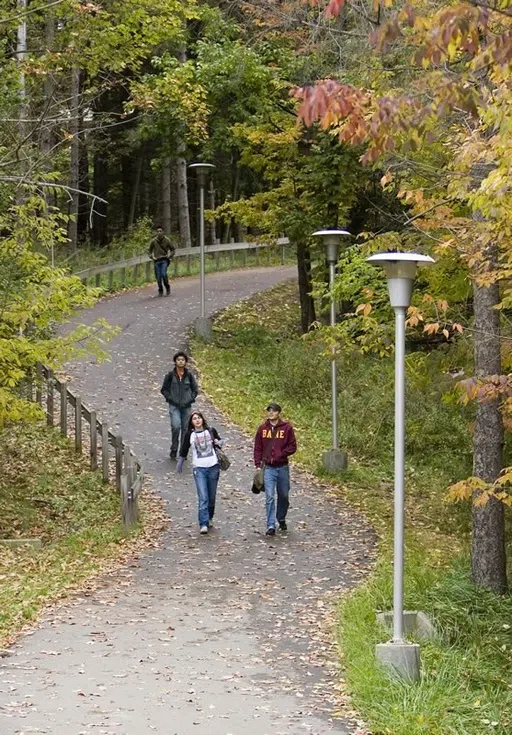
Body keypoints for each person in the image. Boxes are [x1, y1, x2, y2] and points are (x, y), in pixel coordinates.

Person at [253, 402, 297, 536]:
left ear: (278, 413)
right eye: (269, 411)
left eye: (273, 411)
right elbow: (258, 447)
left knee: (283, 494)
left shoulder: (287, 428)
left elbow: (292, 446)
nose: (270, 413)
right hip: (268, 468)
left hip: (282, 466)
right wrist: (257, 464)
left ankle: (281, 517)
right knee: (269, 496)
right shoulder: (262, 429)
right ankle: (270, 525)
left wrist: (281, 453)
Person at [176, 411, 223, 534]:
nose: (197, 420)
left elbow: (220, 442)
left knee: (211, 497)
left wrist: (219, 442)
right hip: (199, 469)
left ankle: (210, 517)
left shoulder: (210, 430)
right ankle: (203, 523)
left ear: (202, 419)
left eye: (199, 418)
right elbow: (184, 449)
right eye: (194, 419)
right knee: (203, 496)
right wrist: (180, 463)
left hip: (213, 466)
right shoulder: (189, 435)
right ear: (191, 422)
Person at [161, 352, 198, 459]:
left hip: (186, 406)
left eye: (183, 360)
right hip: (174, 405)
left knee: (186, 429)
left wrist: (190, 398)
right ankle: (174, 448)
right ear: (175, 362)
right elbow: (164, 389)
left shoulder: (189, 376)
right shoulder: (170, 375)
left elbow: (195, 390)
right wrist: (170, 398)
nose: (181, 361)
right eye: (178, 360)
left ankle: (183, 451)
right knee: (176, 426)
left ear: (186, 362)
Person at [148, 225, 175, 296]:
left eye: (160, 231)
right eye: (158, 231)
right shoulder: (153, 241)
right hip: (157, 261)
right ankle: (160, 289)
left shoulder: (167, 240)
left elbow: (173, 249)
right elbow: (149, 250)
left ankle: (167, 287)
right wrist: (152, 257)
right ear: (156, 232)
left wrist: (169, 256)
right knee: (158, 277)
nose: (159, 232)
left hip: (164, 260)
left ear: (163, 232)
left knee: (163, 274)